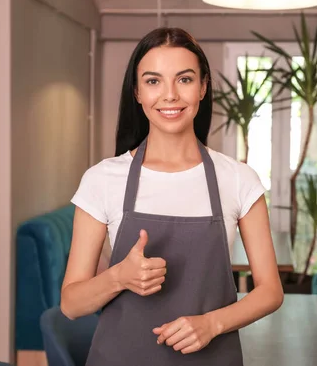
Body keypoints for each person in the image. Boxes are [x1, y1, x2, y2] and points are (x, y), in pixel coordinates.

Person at [60, 27, 284, 366]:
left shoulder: (238, 179)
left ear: (203, 87)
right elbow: (71, 303)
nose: (169, 95)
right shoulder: (102, 180)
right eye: (153, 81)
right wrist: (119, 276)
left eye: (184, 79)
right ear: (136, 92)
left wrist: (212, 324)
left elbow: (270, 291)